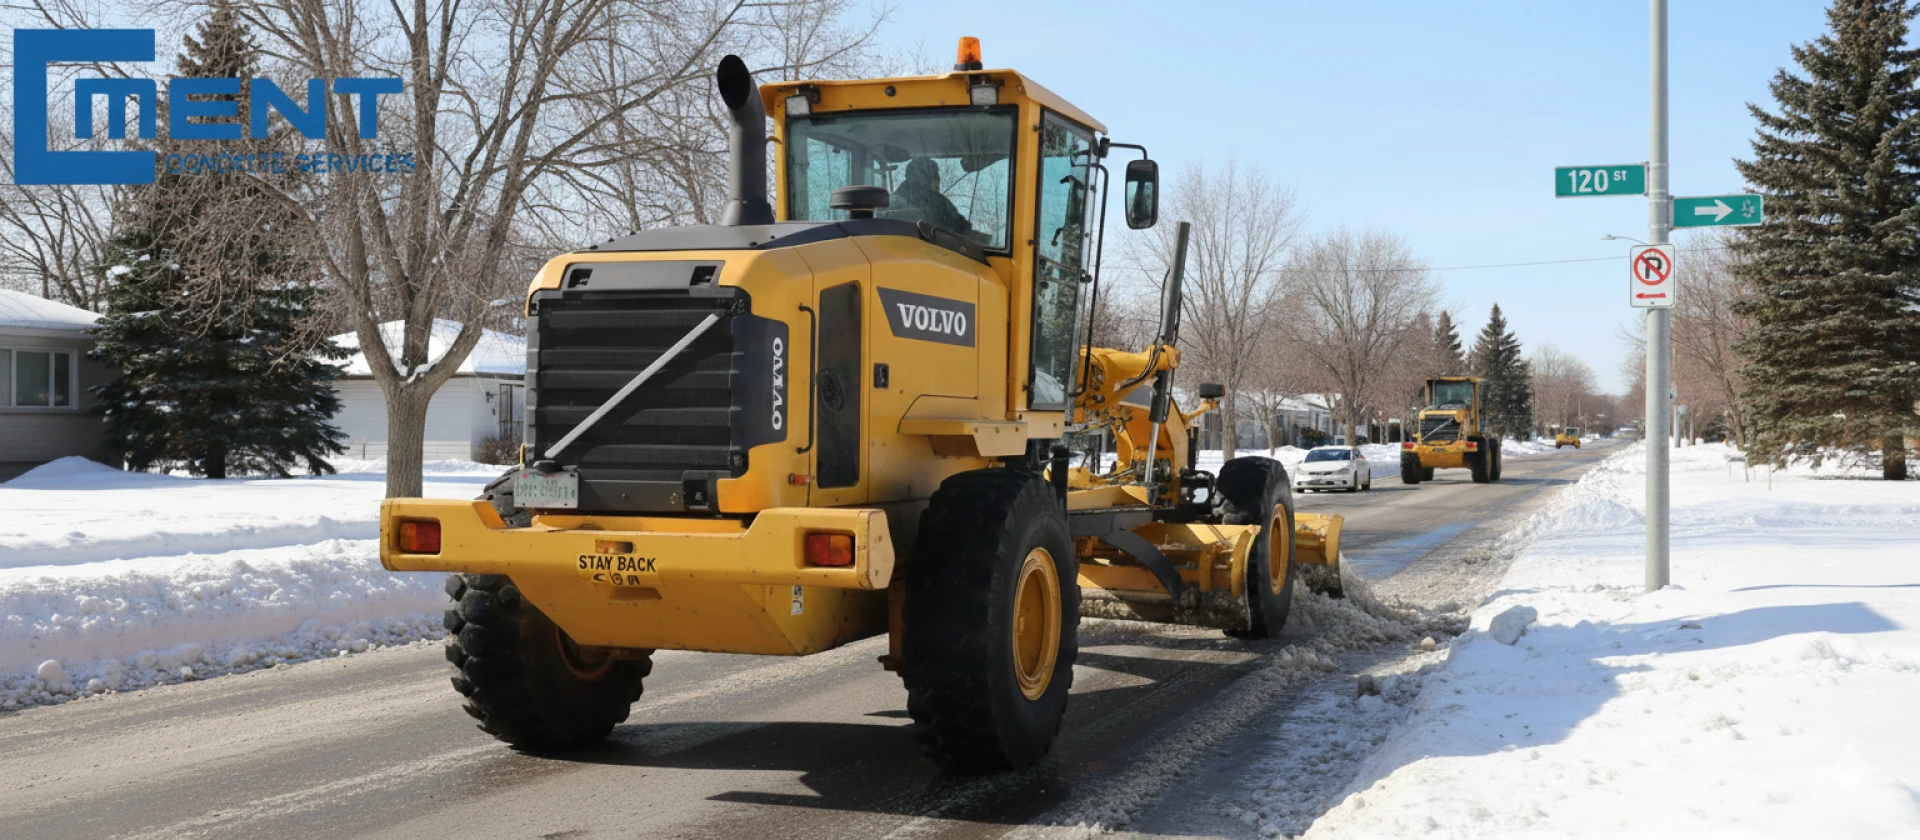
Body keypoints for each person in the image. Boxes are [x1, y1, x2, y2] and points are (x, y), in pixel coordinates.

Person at [884, 157, 972, 234]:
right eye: (935, 176)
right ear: (925, 179)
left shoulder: (892, 200)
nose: (938, 181)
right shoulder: (938, 202)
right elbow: (961, 227)